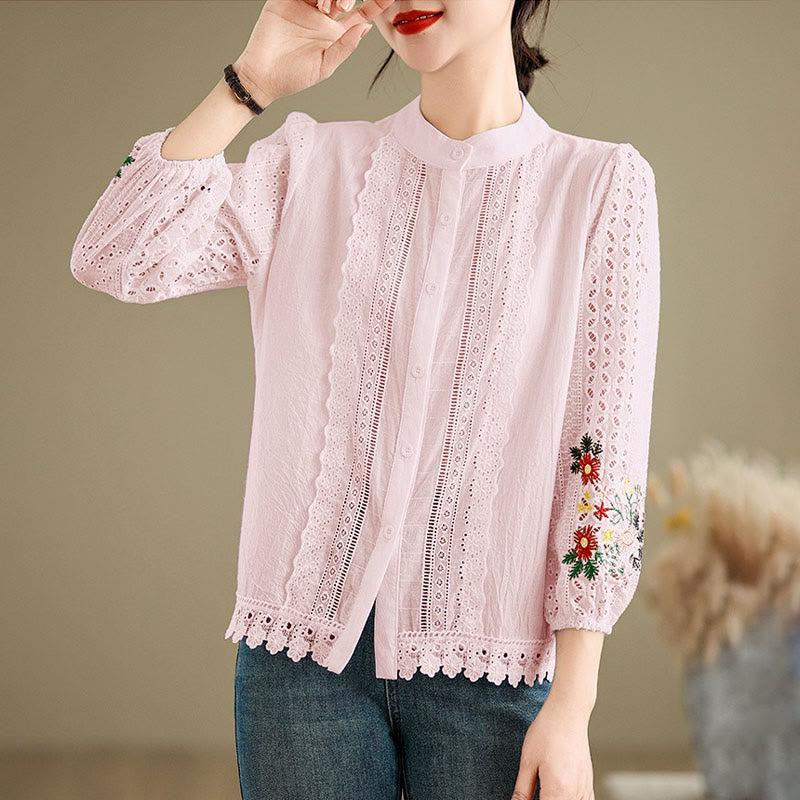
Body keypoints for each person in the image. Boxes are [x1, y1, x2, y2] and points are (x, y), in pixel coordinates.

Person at [70, 0, 661, 798]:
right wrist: (250, 83)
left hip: (492, 669)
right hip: (298, 668)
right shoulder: (308, 166)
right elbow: (116, 255)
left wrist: (574, 705)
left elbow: (604, 466)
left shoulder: (599, 185)